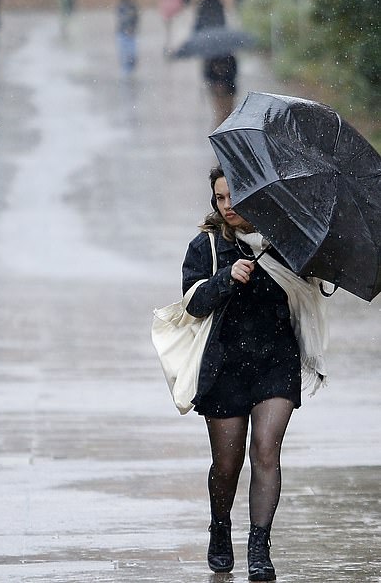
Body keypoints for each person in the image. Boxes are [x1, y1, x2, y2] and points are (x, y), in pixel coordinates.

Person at [181, 166, 328, 581]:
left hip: (275, 362)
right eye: (220, 198)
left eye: (234, 197)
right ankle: (220, 526)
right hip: (225, 364)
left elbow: (311, 284)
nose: (227, 206)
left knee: (266, 451)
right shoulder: (206, 246)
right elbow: (193, 304)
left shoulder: (285, 242)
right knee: (226, 465)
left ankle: (260, 546)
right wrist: (227, 277)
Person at [204, 54, 237, 126]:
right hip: (216, 90)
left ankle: (224, 130)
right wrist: (216, 83)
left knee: (228, 113)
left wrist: (224, 82)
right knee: (220, 113)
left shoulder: (230, 56)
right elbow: (207, 74)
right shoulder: (210, 58)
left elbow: (233, 72)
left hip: (229, 89)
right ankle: (220, 131)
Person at [115, 0, 139, 76]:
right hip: (122, 32)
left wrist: (132, 28)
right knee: (123, 52)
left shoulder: (133, 6)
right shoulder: (120, 7)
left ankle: (130, 69)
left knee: (131, 53)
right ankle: (125, 70)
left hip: (131, 32)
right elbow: (120, 19)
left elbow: (136, 18)